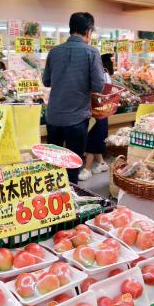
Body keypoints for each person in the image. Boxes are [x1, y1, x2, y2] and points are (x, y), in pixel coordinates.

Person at [42, 12, 105, 184]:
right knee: (72, 168)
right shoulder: (91, 52)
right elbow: (99, 85)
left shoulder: (54, 52)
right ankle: (70, 203)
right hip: (76, 119)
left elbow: (46, 81)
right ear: (88, 31)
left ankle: (52, 201)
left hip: (53, 117)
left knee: (53, 166)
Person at [79, 53, 113, 181]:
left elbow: (99, 91)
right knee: (96, 139)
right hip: (100, 112)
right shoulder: (105, 74)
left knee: (92, 141)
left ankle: (87, 169)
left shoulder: (101, 75)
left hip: (97, 112)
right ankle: (102, 163)